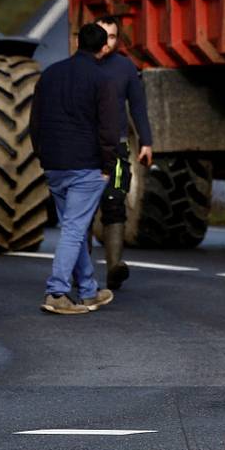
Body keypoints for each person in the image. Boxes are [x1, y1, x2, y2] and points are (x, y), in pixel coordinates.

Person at [29, 22, 122, 315]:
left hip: (54, 164)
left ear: (77, 42)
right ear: (103, 47)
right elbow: (109, 128)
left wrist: (42, 155)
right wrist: (109, 165)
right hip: (86, 166)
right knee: (73, 228)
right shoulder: (102, 79)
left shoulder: (50, 75)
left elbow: (35, 121)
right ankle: (56, 291)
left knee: (76, 228)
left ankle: (89, 291)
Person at [96, 17, 154, 291]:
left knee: (115, 200)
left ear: (118, 40)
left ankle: (114, 266)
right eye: (102, 35)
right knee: (81, 210)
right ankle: (79, 269)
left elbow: (138, 106)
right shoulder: (80, 66)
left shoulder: (125, 68)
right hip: (85, 149)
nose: (106, 42)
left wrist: (146, 141)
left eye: (111, 36)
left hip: (117, 148)